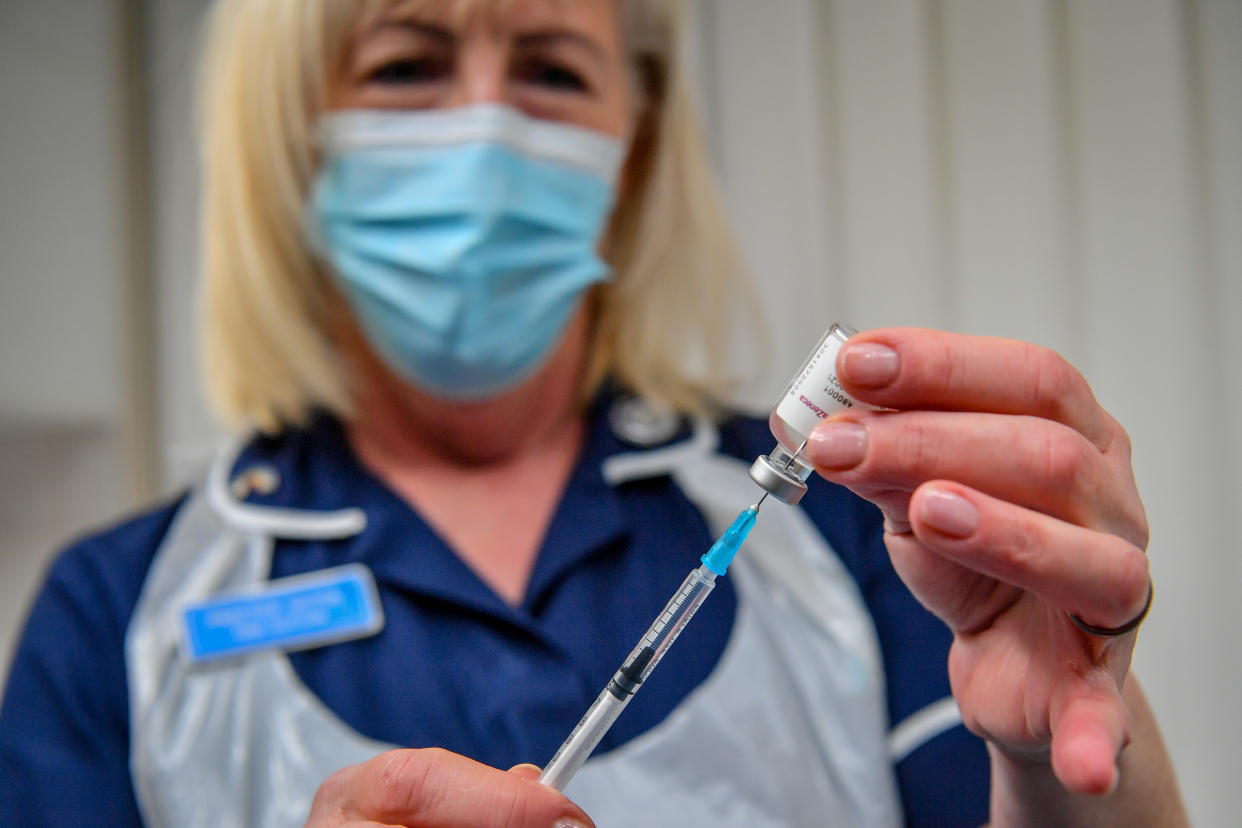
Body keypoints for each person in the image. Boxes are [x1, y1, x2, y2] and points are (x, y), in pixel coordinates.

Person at [0, 0, 1189, 826]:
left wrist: (1055, 761)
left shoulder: (853, 532)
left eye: (554, 71)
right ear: (290, 136)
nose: (486, 128)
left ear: (636, 140)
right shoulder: (121, 616)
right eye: (406, 65)